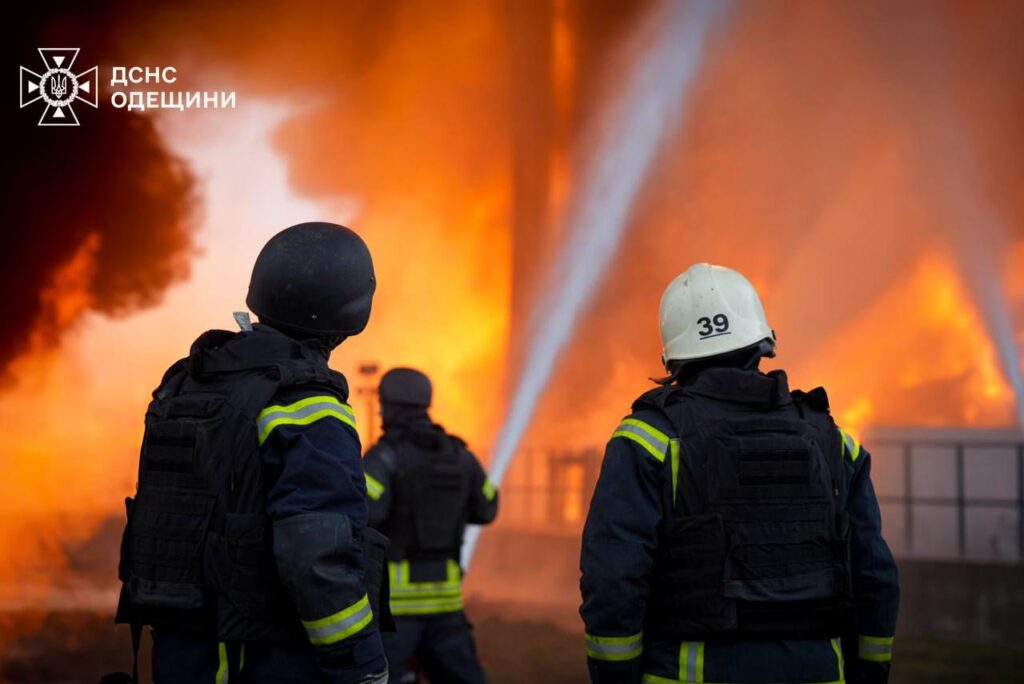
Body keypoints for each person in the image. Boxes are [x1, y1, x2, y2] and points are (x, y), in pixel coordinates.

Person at [580, 263, 899, 684]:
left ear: (673, 355)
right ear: (763, 340)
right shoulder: (834, 442)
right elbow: (874, 575)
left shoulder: (646, 441)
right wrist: (869, 672)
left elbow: (614, 577)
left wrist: (615, 677)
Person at [114, 222, 390, 683]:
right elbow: (315, 555)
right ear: (351, 310)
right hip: (258, 657)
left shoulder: (189, 384)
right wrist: (361, 666)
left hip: (183, 650)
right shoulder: (308, 408)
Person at [363, 368, 499, 684]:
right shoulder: (460, 456)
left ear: (390, 406)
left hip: (395, 611)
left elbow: (364, 514)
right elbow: (488, 507)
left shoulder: (383, 458)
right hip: (447, 606)